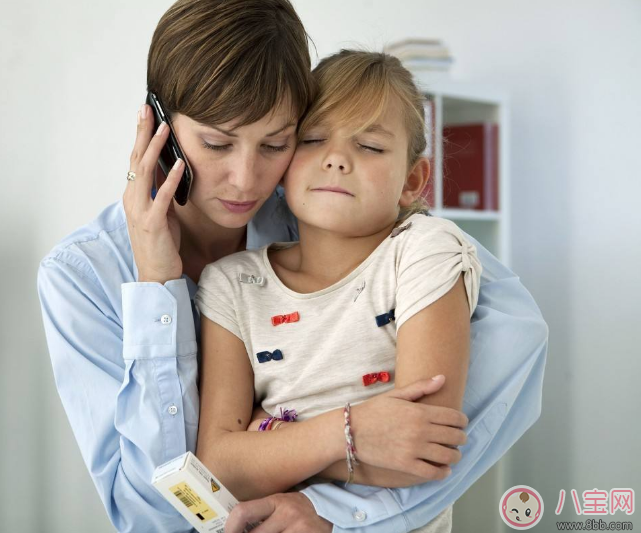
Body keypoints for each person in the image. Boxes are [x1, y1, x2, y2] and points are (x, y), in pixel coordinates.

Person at [36, 1, 548, 532]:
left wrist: (317, 488)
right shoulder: (81, 276)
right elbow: (150, 516)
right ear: (158, 124)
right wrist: (156, 290)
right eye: (216, 143)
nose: (246, 179)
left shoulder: (324, 206)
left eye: (276, 143)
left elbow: (514, 340)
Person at [194, 49, 482, 533]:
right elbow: (219, 467)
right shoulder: (232, 283)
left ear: (413, 180)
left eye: (370, 146)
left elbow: (417, 451)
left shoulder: (423, 252)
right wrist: (356, 433)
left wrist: (267, 433)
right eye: (312, 139)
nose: (336, 159)